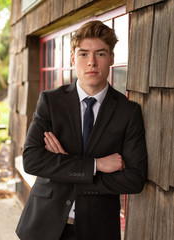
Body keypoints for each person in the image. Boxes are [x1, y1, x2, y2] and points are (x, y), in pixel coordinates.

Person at [16, 20, 147, 240]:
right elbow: (32, 160)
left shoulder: (128, 111)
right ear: (73, 58)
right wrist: (96, 165)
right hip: (43, 225)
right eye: (84, 54)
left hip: (98, 228)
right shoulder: (50, 101)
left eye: (101, 54)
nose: (92, 63)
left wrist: (64, 167)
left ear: (112, 59)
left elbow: (133, 179)